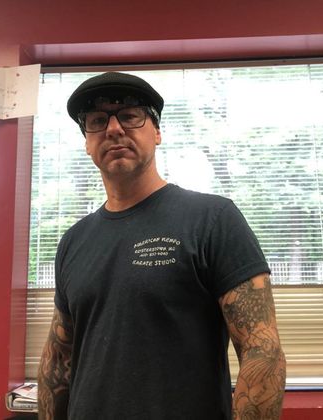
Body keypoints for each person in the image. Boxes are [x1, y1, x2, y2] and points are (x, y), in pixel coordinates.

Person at [37, 71, 286, 420]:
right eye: (97, 121)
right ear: (87, 143)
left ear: (156, 132)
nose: (113, 129)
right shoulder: (74, 241)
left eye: (130, 116)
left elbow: (263, 351)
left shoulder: (213, 219)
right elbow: (58, 361)